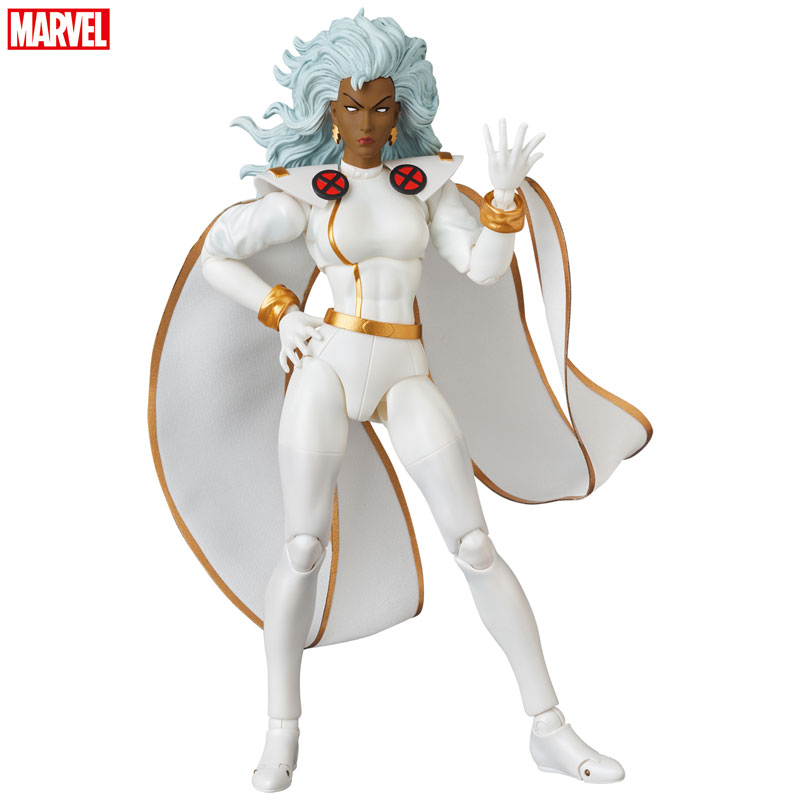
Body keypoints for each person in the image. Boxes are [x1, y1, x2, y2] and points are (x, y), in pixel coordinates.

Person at [150, 10, 651, 793]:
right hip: (328, 364)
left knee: (475, 545)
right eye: (351, 105)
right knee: (302, 548)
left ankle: (549, 728)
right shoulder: (305, 195)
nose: (366, 122)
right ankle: (281, 733)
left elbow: (482, 267)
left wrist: (505, 203)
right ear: (328, 109)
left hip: (405, 370)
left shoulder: (424, 188)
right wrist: (282, 312)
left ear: (401, 110)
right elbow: (219, 253)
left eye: (381, 106)